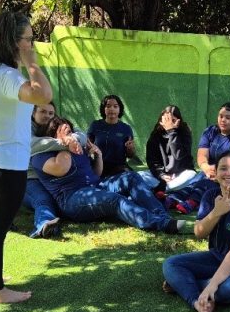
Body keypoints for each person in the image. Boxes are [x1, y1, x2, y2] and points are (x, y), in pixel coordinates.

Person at [0, 10, 52, 304]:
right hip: (5, 166)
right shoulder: (6, 77)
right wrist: (32, 65)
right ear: (12, 41)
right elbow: (44, 95)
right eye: (28, 40)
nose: (32, 45)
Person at [162, 152, 230, 312]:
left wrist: (212, 285)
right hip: (217, 256)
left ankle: (185, 284)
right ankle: (196, 301)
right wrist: (216, 212)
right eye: (223, 168)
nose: (228, 173)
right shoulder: (210, 196)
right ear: (216, 173)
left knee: (225, 291)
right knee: (171, 265)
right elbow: (199, 233)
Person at [33, 117, 186, 234]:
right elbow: (62, 167)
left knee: (131, 177)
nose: (72, 136)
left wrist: (98, 156)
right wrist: (65, 145)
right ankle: (160, 224)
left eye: (70, 131)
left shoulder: (77, 146)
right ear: (52, 134)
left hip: (95, 186)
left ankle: (163, 216)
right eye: (65, 132)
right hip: (73, 199)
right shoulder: (40, 156)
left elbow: (95, 174)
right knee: (115, 200)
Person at [165, 102, 230, 214]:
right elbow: (201, 155)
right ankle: (175, 198)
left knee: (208, 183)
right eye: (221, 116)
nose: (223, 120)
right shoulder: (210, 131)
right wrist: (206, 168)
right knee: (198, 179)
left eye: (228, 117)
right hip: (213, 170)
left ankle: (192, 201)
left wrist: (221, 174)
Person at [22, 102, 87, 238]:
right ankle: (43, 225)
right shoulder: (25, 127)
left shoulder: (53, 125)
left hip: (48, 177)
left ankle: (52, 224)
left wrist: (71, 139)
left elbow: (82, 134)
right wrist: (64, 143)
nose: (47, 116)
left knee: (59, 201)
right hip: (29, 178)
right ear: (33, 113)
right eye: (43, 112)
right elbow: (32, 145)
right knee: (43, 199)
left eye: (51, 113)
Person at [139, 105, 197, 192]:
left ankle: (162, 189)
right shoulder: (156, 134)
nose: (169, 123)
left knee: (192, 175)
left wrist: (172, 132)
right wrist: (161, 175)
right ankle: (166, 188)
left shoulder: (184, 131)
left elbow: (179, 155)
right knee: (140, 175)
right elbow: (152, 160)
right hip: (162, 176)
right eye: (166, 120)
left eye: (172, 120)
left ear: (178, 121)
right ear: (161, 121)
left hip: (181, 174)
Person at [87, 94, 136, 178]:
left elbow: (130, 155)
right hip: (99, 168)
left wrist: (131, 149)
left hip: (119, 168)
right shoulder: (95, 125)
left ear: (120, 110)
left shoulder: (126, 128)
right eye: (108, 106)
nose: (112, 109)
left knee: (133, 178)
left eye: (115, 106)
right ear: (104, 109)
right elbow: (87, 146)